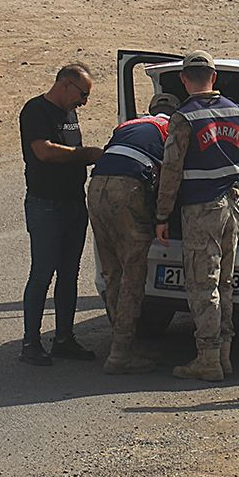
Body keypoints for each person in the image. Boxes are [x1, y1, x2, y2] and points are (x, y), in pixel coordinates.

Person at [155, 50, 239, 382]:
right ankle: (224, 355)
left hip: (202, 209)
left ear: (185, 80)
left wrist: (161, 215)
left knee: (203, 284)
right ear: (214, 77)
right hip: (234, 205)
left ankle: (207, 358)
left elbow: (170, 170)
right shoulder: (237, 112)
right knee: (224, 283)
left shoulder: (183, 118)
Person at [87, 92, 180, 374]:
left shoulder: (128, 125)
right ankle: (121, 354)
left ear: (150, 109)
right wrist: (163, 217)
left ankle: (119, 342)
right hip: (128, 188)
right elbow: (171, 176)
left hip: (97, 187)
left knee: (111, 271)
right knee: (133, 272)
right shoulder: (173, 128)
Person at [18, 63, 104, 366]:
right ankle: (31, 342)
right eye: (82, 94)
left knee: (69, 274)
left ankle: (64, 338)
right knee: (42, 273)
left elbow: (68, 149)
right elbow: (44, 151)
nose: (84, 102)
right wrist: (87, 154)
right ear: (66, 84)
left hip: (73, 203)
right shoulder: (35, 111)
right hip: (46, 205)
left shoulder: (70, 113)